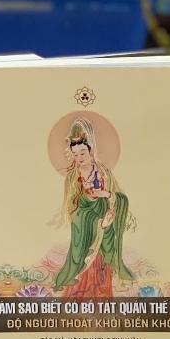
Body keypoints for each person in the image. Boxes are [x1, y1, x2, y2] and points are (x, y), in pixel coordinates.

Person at [53, 118, 134, 297]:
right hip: (85, 233)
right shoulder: (72, 178)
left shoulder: (104, 173)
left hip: (105, 231)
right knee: (80, 284)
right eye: (75, 154)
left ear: (91, 150)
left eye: (82, 152)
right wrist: (98, 223)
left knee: (101, 275)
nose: (79, 158)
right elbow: (73, 211)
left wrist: (107, 196)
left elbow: (120, 199)